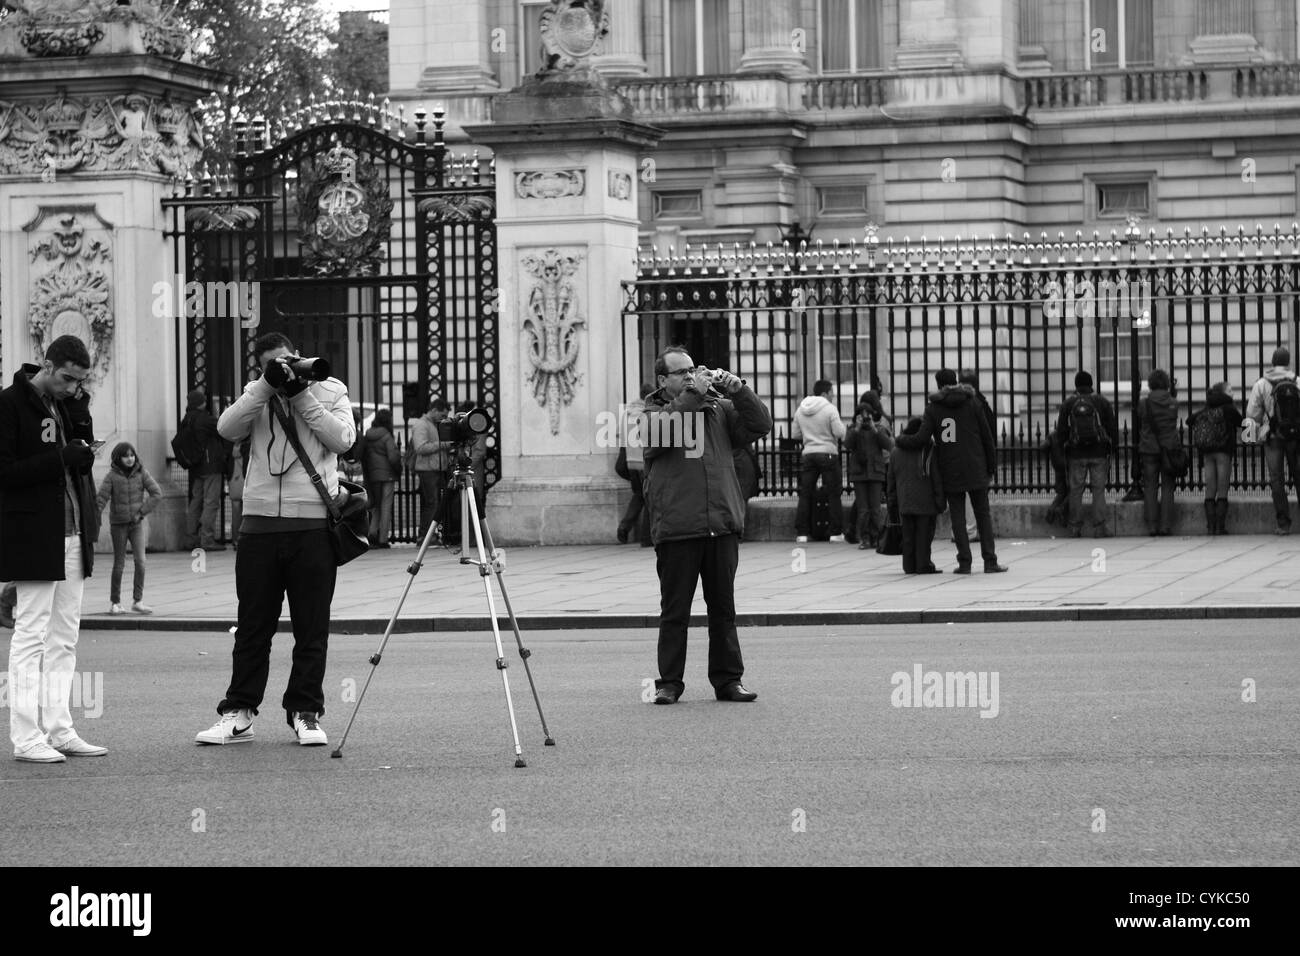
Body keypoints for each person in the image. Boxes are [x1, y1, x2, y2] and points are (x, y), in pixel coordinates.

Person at [195, 331, 355, 747]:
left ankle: (305, 712)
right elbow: (227, 428)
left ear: (298, 354)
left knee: (311, 626)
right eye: (274, 364)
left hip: (312, 526)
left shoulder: (329, 389)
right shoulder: (257, 393)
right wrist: (265, 387)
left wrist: (302, 395)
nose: (285, 368)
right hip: (259, 527)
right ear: (263, 366)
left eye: (289, 360)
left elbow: (342, 440)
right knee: (252, 627)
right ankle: (239, 712)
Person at [643, 347, 772, 704]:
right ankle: (669, 682)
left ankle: (729, 681)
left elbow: (761, 424)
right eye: (681, 372)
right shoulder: (651, 412)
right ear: (662, 380)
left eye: (693, 369)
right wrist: (693, 393)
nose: (690, 375)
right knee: (675, 612)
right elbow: (656, 438)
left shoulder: (719, 410)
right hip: (678, 527)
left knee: (723, 610)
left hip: (720, 524)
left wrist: (740, 391)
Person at [0, 334, 106, 762]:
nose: (71, 388)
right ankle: (26, 736)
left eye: (79, 382)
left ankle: (60, 728)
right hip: (33, 532)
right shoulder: (9, 404)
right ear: (46, 364)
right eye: (66, 379)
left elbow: (76, 459)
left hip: (74, 529)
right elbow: (5, 472)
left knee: (64, 637)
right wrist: (60, 458)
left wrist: (80, 435)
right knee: (31, 634)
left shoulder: (67, 404)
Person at [895, 368, 1007, 574]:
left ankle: (964, 562)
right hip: (976, 466)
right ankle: (990, 561)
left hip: (950, 468)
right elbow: (986, 437)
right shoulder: (972, 402)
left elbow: (921, 438)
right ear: (956, 381)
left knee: (958, 517)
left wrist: (901, 439)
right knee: (983, 515)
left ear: (938, 384)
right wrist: (991, 465)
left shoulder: (934, 408)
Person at [95, 441, 163, 614]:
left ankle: (137, 600)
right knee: (119, 564)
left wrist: (141, 512)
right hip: (118, 525)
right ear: (118, 458)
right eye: (125, 456)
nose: (130, 459)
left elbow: (156, 493)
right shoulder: (112, 476)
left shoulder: (141, 473)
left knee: (141, 561)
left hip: (136, 524)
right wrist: (93, 518)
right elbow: (101, 499)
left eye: (132, 455)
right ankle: (115, 602)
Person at [1056, 371, 1118, 538]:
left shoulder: (1068, 403)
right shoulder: (1101, 402)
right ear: (1091, 384)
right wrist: (1114, 447)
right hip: (1098, 452)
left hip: (1076, 453)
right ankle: (1100, 527)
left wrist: (1061, 449)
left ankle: (1075, 527)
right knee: (1098, 490)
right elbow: (1112, 427)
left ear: (1076, 385)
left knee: (1076, 490)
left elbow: (1061, 431)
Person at [1245, 347, 1300, 535]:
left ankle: (1283, 523)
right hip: (1295, 436)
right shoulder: (1297, 382)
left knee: (1277, 480)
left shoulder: (1261, 384)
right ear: (1288, 362)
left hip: (1272, 436)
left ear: (1272, 362)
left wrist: (1251, 437)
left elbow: (1252, 414)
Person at [887, 416, 945, 574]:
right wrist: (940, 500)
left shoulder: (896, 451)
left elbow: (891, 479)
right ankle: (923, 564)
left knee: (908, 535)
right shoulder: (928, 449)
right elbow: (936, 477)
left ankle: (909, 565)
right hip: (925, 501)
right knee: (924, 535)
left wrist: (892, 500)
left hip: (904, 500)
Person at [792, 379, 847, 543]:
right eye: (832, 394)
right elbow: (839, 432)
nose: (833, 397)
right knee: (833, 493)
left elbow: (795, 434)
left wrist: (810, 436)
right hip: (828, 453)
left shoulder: (801, 409)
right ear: (824, 393)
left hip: (808, 453)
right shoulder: (830, 409)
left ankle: (802, 532)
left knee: (805, 493)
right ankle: (835, 532)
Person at [1189, 381, 1243, 535]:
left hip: (1207, 452)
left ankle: (1210, 527)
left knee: (1210, 488)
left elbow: (1190, 420)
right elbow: (1242, 423)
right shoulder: (1228, 408)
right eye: (1230, 390)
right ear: (1223, 393)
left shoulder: (1207, 407)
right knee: (1223, 488)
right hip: (1223, 452)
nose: (1233, 392)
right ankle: (1220, 527)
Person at [180, 388, 227, 552]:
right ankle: (207, 539)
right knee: (210, 502)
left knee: (195, 502)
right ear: (201, 403)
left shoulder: (186, 419)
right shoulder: (205, 419)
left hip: (196, 467)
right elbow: (224, 428)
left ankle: (191, 538)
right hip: (210, 465)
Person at [845, 392, 892, 549]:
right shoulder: (853, 429)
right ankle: (864, 538)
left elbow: (888, 445)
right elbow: (848, 444)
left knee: (876, 509)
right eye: (862, 415)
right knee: (863, 510)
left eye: (867, 415)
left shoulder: (878, 428)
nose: (865, 418)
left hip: (876, 473)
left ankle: (876, 538)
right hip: (860, 474)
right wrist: (857, 429)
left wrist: (874, 428)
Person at [1137, 368, 1181, 536]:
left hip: (1149, 447)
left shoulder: (1144, 403)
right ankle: (1166, 525)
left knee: (1150, 487)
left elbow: (1141, 417)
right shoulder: (1173, 402)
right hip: (1169, 448)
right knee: (1168, 487)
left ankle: (1152, 525)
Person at [617, 384, 653, 544]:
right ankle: (646, 537)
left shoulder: (627, 412)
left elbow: (619, 435)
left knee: (639, 495)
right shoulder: (647, 412)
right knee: (650, 497)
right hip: (643, 460)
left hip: (630, 461)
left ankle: (624, 527)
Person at [410, 398, 451, 539]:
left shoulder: (433, 424)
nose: (444, 418)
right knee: (431, 504)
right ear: (434, 410)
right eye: (442, 415)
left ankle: (431, 535)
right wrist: (443, 444)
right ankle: (425, 536)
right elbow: (420, 447)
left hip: (436, 468)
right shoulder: (422, 425)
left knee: (434, 503)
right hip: (427, 470)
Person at [362, 407, 400, 548]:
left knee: (376, 506)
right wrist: (398, 469)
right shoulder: (386, 435)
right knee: (385, 506)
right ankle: (383, 538)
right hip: (387, 475)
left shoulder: (368, 434)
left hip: (373, 474)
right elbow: (393, 457)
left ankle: (372, 534)